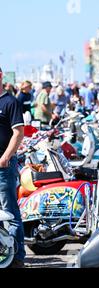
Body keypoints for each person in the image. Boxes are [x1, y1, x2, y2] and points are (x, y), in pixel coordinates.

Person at [0, 66, 26, 268]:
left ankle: (17, 257)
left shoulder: (10, 102)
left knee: (10, 212)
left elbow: (18, 133)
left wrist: (5, 157)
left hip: (4, 166)